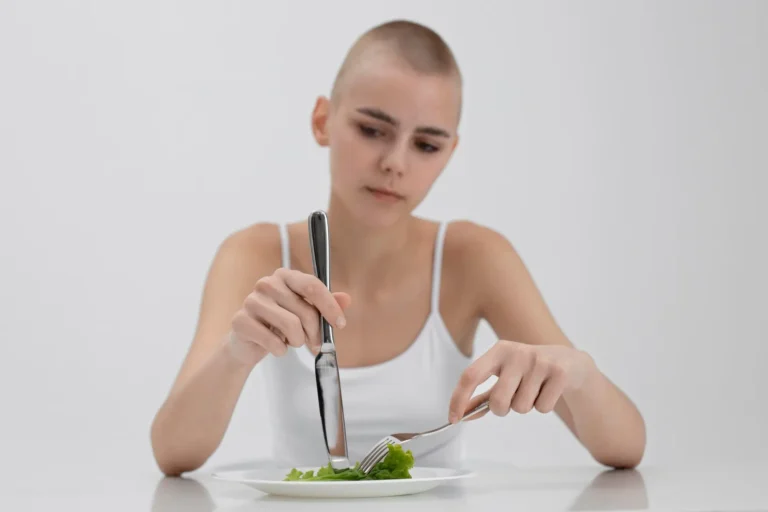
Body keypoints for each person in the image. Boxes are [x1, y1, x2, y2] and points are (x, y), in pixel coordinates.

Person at [150, 19, 646, 476]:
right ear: (323, 121)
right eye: (372, 130)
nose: (395, 162)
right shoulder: (254, 254)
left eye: (425, 145)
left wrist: (578, 372)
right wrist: (235, 353)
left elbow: (625, 448)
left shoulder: (475, 257)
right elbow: (173, 453)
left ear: (449, 152)